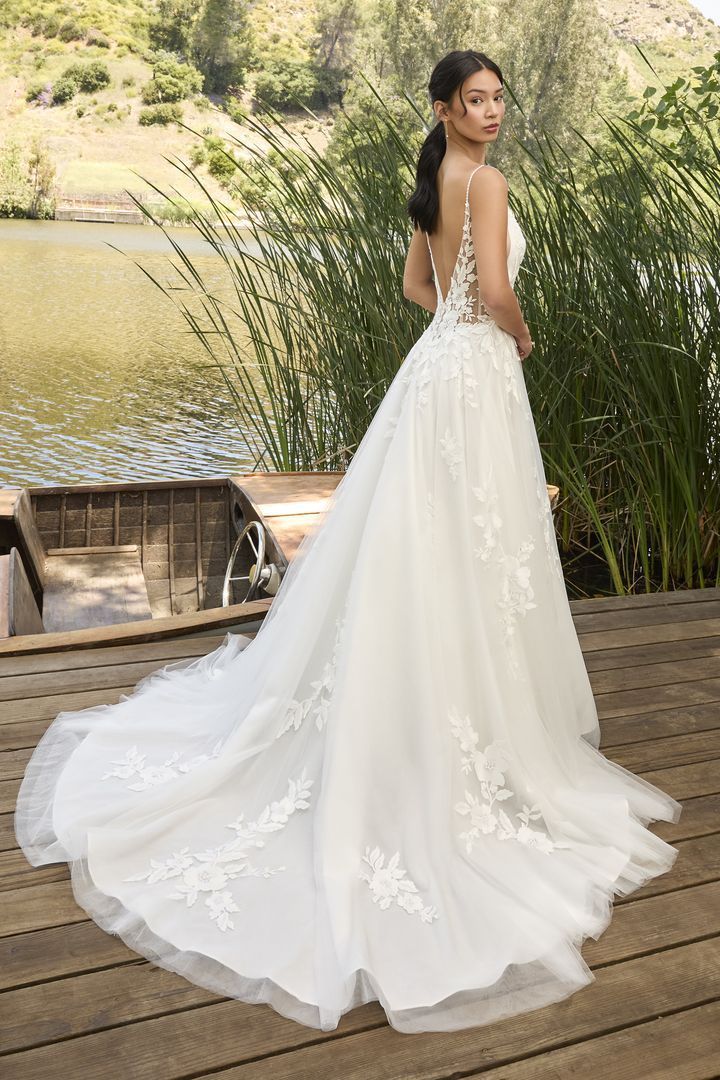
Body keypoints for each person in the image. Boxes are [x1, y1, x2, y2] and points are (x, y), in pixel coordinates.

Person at [14, 49, 682, 1035]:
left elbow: (422, 287)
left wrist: (458, 325)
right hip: (479, 376)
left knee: (421, 548)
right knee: (467, 553)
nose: (493, 113)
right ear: (446, 107)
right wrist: (516, 337)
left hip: (435, 373)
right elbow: (492, 290)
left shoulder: (433, 183)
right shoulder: (487, 181)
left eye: (500, 98)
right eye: (476, 99)